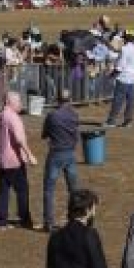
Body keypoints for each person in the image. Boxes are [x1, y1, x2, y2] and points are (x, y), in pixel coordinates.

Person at [0, 91, 37, 229]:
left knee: (3, 190)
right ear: (10, 103)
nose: (21, 104)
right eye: (18, 102)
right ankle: (25, 220)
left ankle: (1, 221)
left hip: (1, 160)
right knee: (22, 190)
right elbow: (19, 139)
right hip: (14, 160)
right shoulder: (13, 117)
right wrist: (29, 154)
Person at [41, 89, 81, 232]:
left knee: (49, 189)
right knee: (73, 190)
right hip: (70, 153)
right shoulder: (74, 115)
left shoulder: (52, 116)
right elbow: (76, 134)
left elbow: (44, 134)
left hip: (56, 153)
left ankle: (48, 222)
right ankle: (75, 219)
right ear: (69, 100)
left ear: (57, 100)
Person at [104, 32, 134, 128]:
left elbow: (120, 66)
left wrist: (111, 75)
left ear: (126, 39)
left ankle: (111, 121)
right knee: (130, 101)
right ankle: (128, 121)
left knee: (118, 100)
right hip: (133, 78)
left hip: (123, 77)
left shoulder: (125, 50)